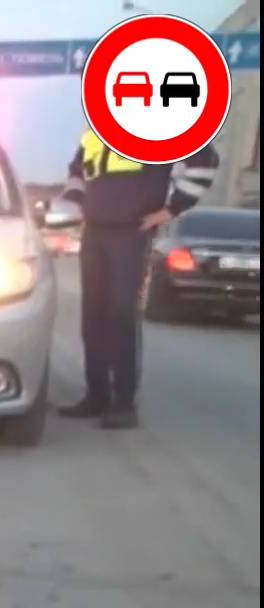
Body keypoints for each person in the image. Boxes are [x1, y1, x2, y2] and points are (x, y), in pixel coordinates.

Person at [56, 131, 219, 429]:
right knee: (93, 316)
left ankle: (123, 404)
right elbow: (77, 171)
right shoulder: (96, 130)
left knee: (120, 315)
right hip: (94, 231)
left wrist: (171, 210)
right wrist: (77, 202)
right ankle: (96, 395)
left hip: (131, 232)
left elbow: (204, 162)